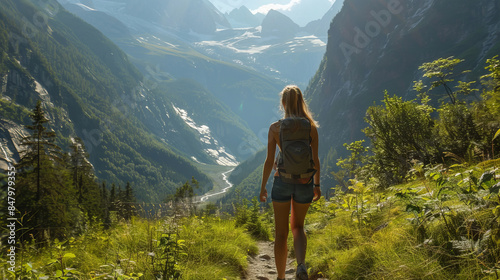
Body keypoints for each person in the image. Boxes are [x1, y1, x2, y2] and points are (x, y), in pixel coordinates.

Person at [259, 85, 321, 280]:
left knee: (281, 233)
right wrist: (317, 185)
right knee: (298, 227)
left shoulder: (275, 128)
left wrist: (262, 187)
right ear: (301, 101)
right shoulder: (310, 127)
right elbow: (316, 159)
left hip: (282, 182)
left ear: (283, 103)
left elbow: (269, 161)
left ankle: (280, 277)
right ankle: (301, 265)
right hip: (305, 181)